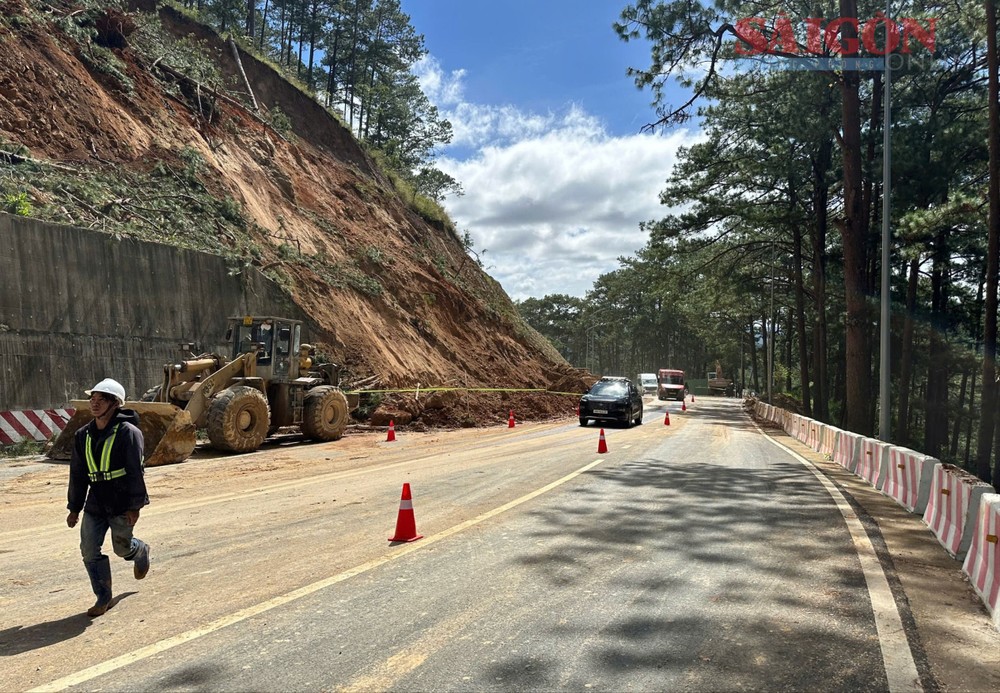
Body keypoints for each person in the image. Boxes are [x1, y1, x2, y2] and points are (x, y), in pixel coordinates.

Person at [66, 378, 150, 617]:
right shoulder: (83, 435)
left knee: (122, 549)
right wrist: (74, 507)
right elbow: (78, 474)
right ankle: (103, 596)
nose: (94, 403)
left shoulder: (129, 433)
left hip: (122, 502)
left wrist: (135, 506)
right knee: (88, 549)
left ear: (115, 404)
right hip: (96, 503)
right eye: (92, 399)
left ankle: (140, 550)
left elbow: (135, 471)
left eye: (101, 399)